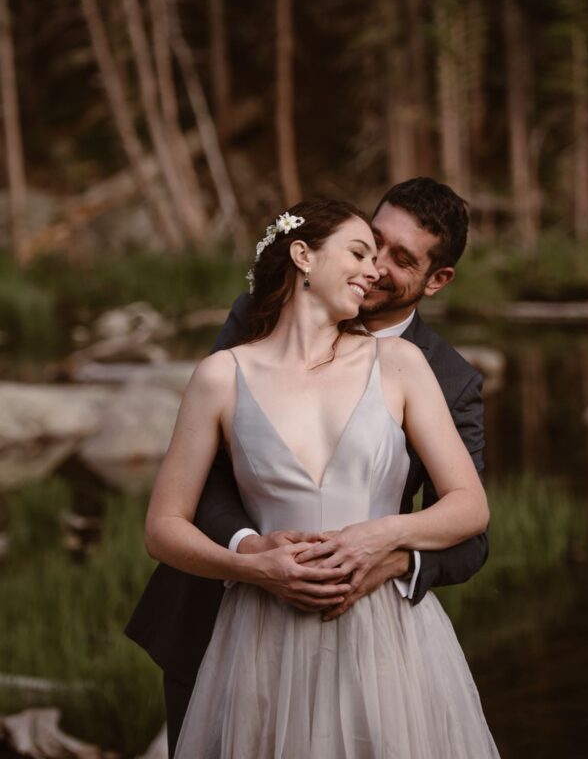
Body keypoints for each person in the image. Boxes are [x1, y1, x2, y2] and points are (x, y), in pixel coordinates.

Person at [126, 178, 489, 754]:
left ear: (436, 280)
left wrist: (381, 552)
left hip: (372, 631)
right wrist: (252, 555)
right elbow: (207, 481)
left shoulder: (430, 370)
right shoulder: (250, 328)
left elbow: (472, 527)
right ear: (304, 256)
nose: (374, 268)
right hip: (228, 622)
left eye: (399, 259)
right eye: (368, 245)